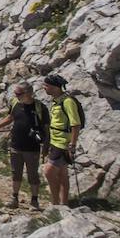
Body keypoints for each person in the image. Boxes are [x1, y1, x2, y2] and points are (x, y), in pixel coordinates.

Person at [0, 81, 46, 209]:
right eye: (15, 93)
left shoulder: (39, 107)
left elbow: (46, 127)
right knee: (16, 173)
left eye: (18, 93)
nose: (16, 95)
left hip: (32, 147)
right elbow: (10, 117)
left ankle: (34, 201)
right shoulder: (15, 103)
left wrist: (46, 145)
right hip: (16, 144)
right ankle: (14, 198)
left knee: (33, 174)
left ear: (28, 93)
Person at [40, 73, 83, 205]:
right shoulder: (57, 101)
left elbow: (75, 124)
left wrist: (72, 144)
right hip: (55, 141)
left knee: (49, 172)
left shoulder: (67, 102)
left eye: (46, 86)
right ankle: (64, 203)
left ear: (55, 87)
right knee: (62, 174)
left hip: (62, 143)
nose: (44, 88)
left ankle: (55, 203)